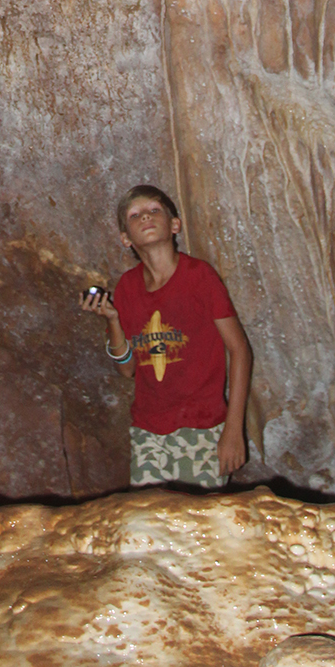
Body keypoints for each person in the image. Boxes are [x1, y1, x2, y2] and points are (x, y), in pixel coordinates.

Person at [81, 183, 252, 490]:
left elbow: (239, 350)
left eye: (154, 210)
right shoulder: (128, 288)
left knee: (199, 524)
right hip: (148, 429)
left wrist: (233, 429)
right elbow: (127, 368)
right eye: (135, 215)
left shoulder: (200, 277)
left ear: (175, 225)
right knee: (151, 523)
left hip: (203, 425)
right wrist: (113, 320)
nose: (145, 217)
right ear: (125, 238)